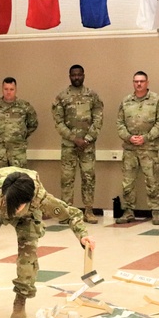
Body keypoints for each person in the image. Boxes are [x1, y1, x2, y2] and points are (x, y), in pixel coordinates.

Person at [0, 168, 96, 318]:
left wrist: (83, 236)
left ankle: (20, 300)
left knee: (27, 259)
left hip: (27, 219)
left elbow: (71, 214)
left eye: (20, 205)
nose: (17, 208)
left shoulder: (39, 198)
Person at [52, 64, 102, 224]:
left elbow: (98, 119)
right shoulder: (62, 97)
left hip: (87, 146)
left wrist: (87, 139)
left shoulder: (92, 96)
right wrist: (74, 138)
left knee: (89, 178)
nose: (76, 77)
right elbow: (58, 123)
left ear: (83, 75)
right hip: (69, 146)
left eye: (79, 75)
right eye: (73, 75)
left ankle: (88, 211)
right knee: (67, 179)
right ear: (69, 76)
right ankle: (67, 212)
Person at [116, 71, 159, 225]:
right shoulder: (126, 101)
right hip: (130, 148)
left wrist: (145, 138)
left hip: (149, 148)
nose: (139, 84)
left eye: (142, 81)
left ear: (147, 82)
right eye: (136, 81)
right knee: (128, 182)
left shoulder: (157, 100)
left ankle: (156, 212)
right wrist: (129, 137)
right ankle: (129, 211)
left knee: (152, 180)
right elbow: (119, 124)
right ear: (133, 83)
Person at [0, 77, 38, 169]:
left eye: (11, 89)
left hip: (18, 151)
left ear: (16, 90)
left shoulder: (24, 106)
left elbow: (33, 124)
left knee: (19, 180)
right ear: (2, 89)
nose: (8, 92)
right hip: (0, 152)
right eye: (6, 89)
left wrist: (21, 135)